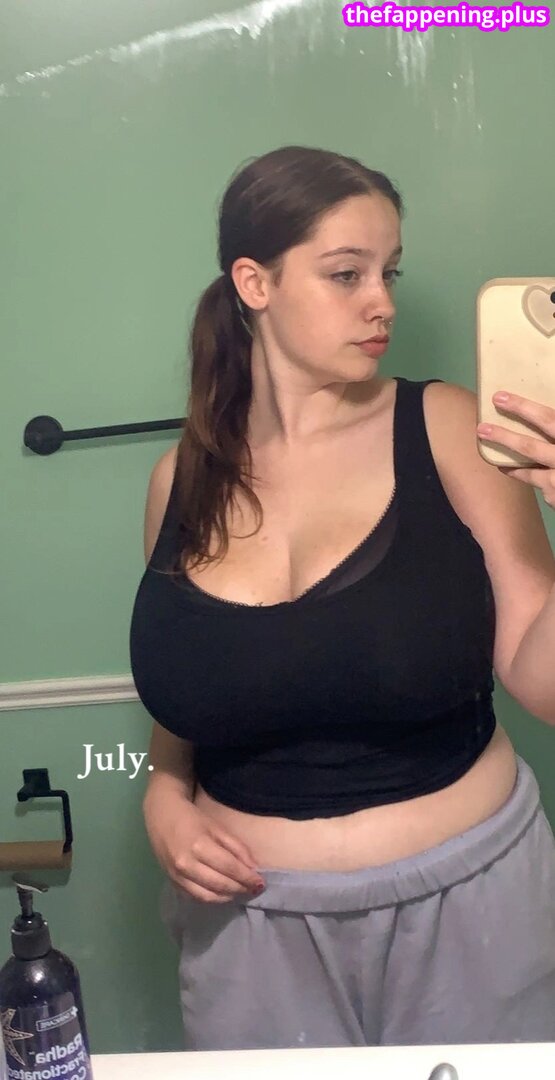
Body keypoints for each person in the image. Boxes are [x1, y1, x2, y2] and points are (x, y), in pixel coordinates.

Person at [129, 145, 555, 1050]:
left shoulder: (447, 428)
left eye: (388, 273)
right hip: (247, 935)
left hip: (468, 914)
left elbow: (541, 683)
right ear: (255, 283)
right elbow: (195, 687)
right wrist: (163, 795)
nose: (382, 303)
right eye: (345, 273)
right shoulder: (179, 482)